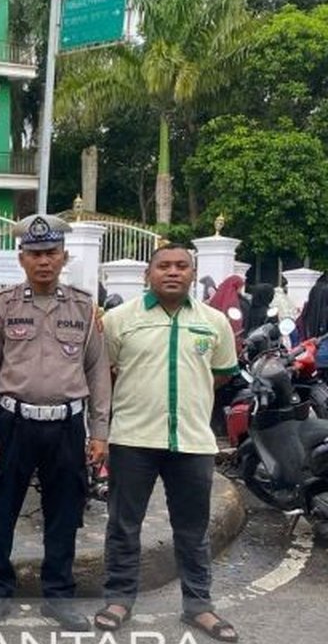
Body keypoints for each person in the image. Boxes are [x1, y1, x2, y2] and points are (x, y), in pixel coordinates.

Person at [0, 214, 111, 632]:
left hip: (67, 427)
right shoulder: (2, 306)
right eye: (35, 254)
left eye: (51, 253)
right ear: (22, 258)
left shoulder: (85, 308)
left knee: (64, 512)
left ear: (64, 257)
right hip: (13, 423)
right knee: (1, 508)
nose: (43, 261)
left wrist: (99, 432)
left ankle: (59, 595)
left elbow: (98, 373)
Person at [95, 244, 240, 643]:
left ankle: (199, 606)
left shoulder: (214, 322)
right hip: (132, 439)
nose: (172, 272)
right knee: (124, 526)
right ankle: (119, 598)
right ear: (149, 273)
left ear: (193, 274)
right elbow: (103, 374)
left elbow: (221, 374)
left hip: (193, 442)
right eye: (163, 266)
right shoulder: (119, 320)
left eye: (181, 266)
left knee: (192, 530)